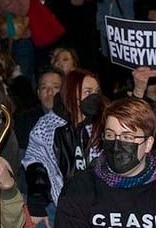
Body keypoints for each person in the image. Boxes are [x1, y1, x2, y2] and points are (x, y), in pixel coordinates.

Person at [55, 97, 156, 227]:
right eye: (110, 135)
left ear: (148, 144)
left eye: (127, 137)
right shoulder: (80, 188)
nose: (116, 144)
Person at [22, 68, 104, 227]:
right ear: (72, 92)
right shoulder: (48, 125)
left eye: (96, 91)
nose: (93, 96)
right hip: (60, 207)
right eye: (88, 91)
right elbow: (36, 165)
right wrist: (37, 205)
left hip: (99, 208)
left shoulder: (104, 123)